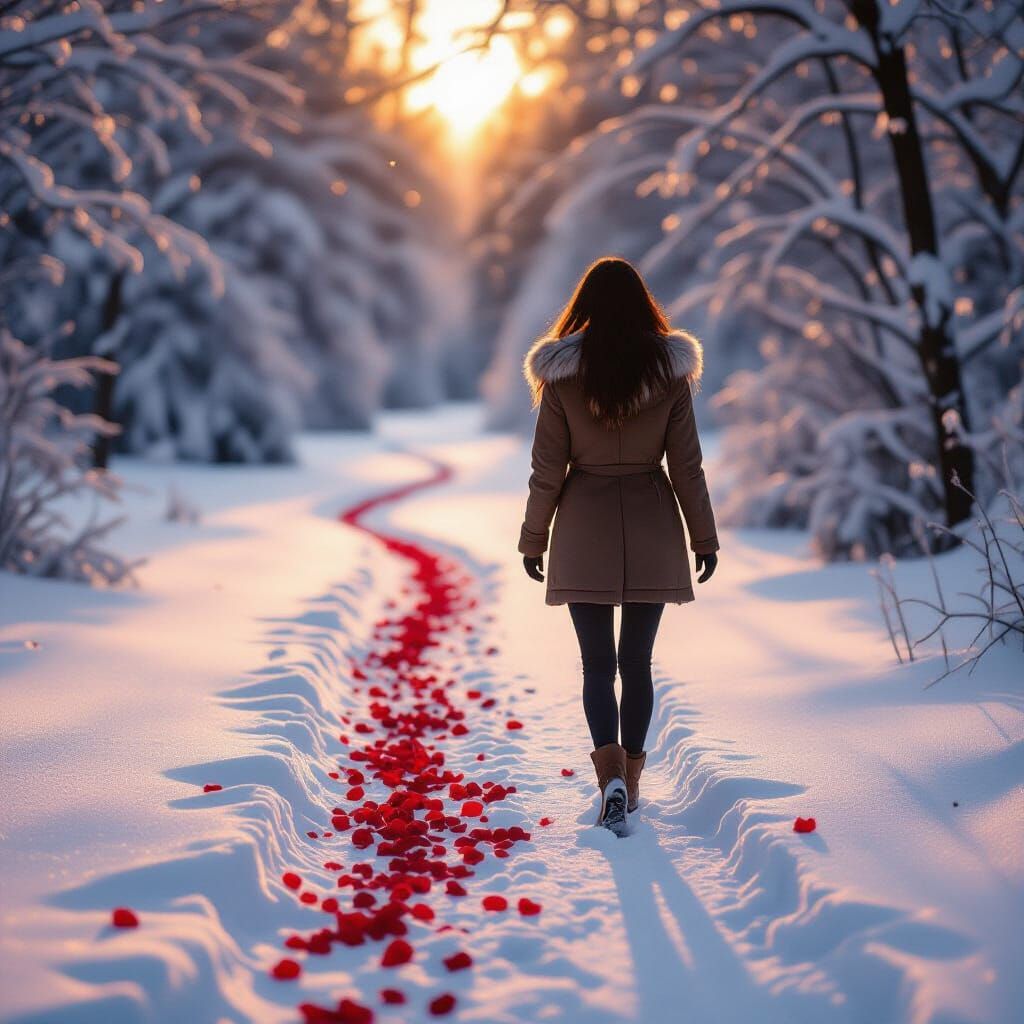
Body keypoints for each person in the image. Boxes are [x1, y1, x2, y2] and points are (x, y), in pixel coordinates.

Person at [517, 257, 719, 836]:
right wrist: (703, 537)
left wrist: (534, 540)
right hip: (654, 520)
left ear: (584, 306)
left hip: (583, 524)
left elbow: (546, 471)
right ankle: (629, 782)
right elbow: (688, 466)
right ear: (642, 304)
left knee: (596, 664)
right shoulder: (670, 374)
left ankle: (606, 773)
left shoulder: (560, 378)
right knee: (637, 662)